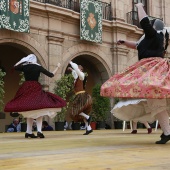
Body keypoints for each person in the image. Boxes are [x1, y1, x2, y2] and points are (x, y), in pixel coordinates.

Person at [101, 3, 170, 144]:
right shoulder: (151, 39)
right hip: (150, 69)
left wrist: (139, 6)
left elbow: (144, 22)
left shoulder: (155, 35)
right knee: (156, 101)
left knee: (156, 102)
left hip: (153, 70)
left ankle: (167, 132)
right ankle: (167, 132)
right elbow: (137, 45)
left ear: (154, 27)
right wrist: (125, 42)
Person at [4, 54, 66, 138]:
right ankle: (38, 131)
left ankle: (28, 132)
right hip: (35, 88)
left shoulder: (25, 66)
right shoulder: (38, 67)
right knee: (38, 109)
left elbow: (14, 67)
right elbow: (51, 75)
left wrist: (22, 60)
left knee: (30, 110)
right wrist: (58, 67)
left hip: (26, 88)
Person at [66, 61, 93, 135]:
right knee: (81, 112)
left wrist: (71, 62)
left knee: (74, 111)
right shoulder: (77, 76)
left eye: (78, 68)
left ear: (80, 69)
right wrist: (71, 69)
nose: (76, 69)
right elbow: (74, 72)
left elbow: (76, 70)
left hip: (81, 96)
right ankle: (88, 128)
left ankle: (87, 117)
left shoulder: (81, 75)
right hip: (79, 96)